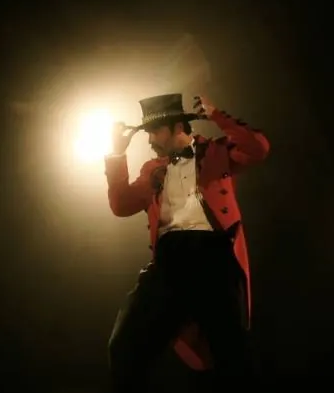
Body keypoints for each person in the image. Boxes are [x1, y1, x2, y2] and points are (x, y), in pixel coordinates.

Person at [104, 92, 270, 391]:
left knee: (232, 355)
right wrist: (117, 154)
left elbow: (258, 148)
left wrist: (217, 115)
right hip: (169, 262)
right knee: (124, 345)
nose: (150, 139)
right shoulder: (152, 169)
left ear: (178, 126)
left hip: (212, 256)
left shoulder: (216, 152)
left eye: (155, 131)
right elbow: (121, 205)